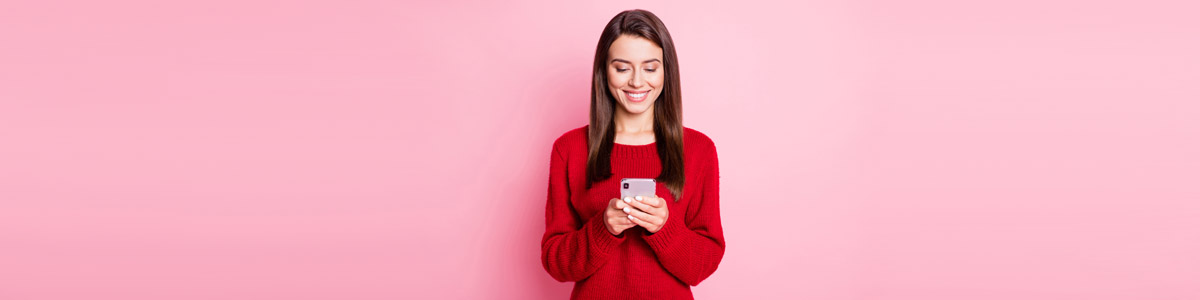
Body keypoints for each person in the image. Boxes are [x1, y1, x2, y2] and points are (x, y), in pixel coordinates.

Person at [540, 9, 725, 300]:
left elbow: (704, 264)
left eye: (650, 68)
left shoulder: (699, 150)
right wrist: (603, 228)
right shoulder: (569, 148)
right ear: (604, 70)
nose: (637, 82)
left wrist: (665, 228)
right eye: (622, 68)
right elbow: (557, 263)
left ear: (666, 71)